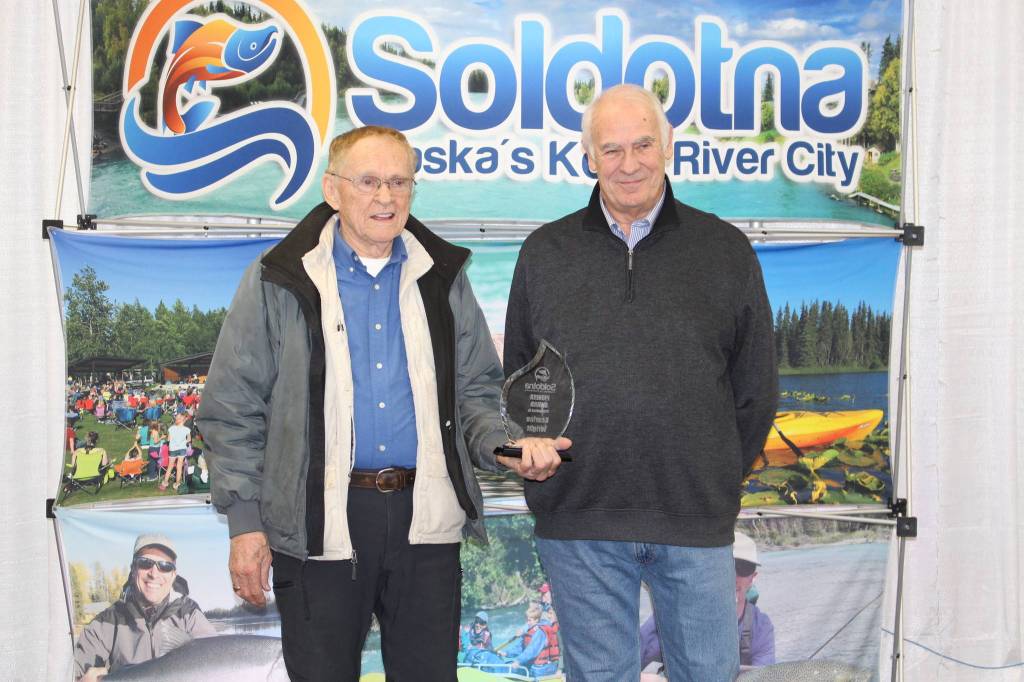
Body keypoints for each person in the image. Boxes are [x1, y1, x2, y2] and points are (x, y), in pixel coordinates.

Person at [198, 125, 568, 681]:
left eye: (400, 182)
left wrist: (502, 446)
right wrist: (246, 525)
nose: (386, 197)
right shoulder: (277, 281)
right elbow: (232, 409)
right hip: (317, 527)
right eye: (368, 181)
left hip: (425, 523)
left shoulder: (442, 280)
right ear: (332, 189)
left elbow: (475, 391)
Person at [502, 83, 778, 682]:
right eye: (612, 149)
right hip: (580, 522)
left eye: (643, 144)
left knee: (709, 674)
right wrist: (538, 464)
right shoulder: (544, 253)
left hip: (695, 521)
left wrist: (712, 474)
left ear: (668, 145)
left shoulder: (725, 250)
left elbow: (756, 390)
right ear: (588, 157)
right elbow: (521, 383)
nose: (629, 164)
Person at [73, 533, 215, 681]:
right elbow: (75, 672)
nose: (154, 573)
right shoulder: (105, 624)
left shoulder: (190, 615)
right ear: (133, 569)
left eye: (165, 566)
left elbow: (217, 660)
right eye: (145, 563)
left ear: (173, 575)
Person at [639, 530, 776, 676]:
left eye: (743, 567)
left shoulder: (761, 627)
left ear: (752, 578)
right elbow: (625, 665)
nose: (730, 575)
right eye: (721, 565)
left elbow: (765, 677)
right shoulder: (671, 617)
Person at [503, 604, 560, 678]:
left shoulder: (540, 632)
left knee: (515, 668)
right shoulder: (530, 629)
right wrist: (506, 653)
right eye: (526, 619)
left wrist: (518, 661)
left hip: (541, 668)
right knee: (508, 666)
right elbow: (521, 647)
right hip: (532, 664)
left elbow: (532, 650)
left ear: (536, 620)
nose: (527, 622)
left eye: (529, 620)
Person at [160, 413, 191, 491]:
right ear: (184, 421)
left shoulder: (171, 428)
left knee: (170, 466)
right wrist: (183, 442)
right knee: (179, 467)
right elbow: (189, 440)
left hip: (173, 449)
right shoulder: (187, 429)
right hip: (182, 449)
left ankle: (164, 484)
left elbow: (168, 440)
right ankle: (177, 484)